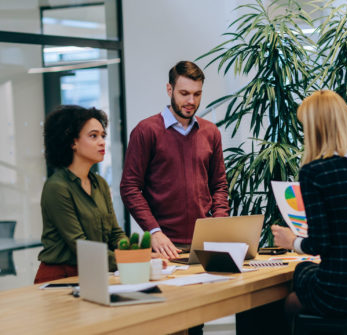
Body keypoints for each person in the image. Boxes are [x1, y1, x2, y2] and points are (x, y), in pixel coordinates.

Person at [272, 90, 347, 323]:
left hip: (339, 291)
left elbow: (320, 243)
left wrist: (292, 241)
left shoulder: (315, 173)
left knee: (293, 291)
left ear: (314, 130)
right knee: (307, 275)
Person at [120, 60, 229, 260]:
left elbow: (219, 185)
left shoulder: (210, 132)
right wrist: (154, 231)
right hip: (164, 246)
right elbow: (130, 187)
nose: (191, 101)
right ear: (169, 89)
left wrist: (219, 225)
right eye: (184, 93)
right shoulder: (146, 131)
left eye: (197, 94)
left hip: (205, 243)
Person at [35, 105, 127, 284]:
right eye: (93, 136)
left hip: (95, 270)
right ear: (72, 142)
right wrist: (129, 261)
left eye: (103, 136)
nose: (102, 142)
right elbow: (81, 246)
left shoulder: (99, 183)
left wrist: (135, 251)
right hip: (61, 277)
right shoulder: (57, 187)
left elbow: (115, 233)